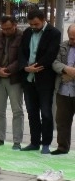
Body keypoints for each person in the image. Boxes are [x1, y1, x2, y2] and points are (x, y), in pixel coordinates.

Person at [19, 9, 61, 153]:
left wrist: (35, 67)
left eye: (36, 24)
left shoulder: (54, 33)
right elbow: (21, 53)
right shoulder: (27, 32)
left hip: (44, 78)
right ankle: (34, 142)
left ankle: (46, 143)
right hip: (28, 78)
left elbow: (51, 55)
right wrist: (26, 67)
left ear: (43, 20)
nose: (33, 27)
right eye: (31, 24)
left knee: (46, 112)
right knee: (32, 112)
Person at [0, 15, 25, 148]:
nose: (6, 31)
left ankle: (17, 141)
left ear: (15, 25)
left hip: (14, 79)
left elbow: (22, 57)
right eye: (3, 29)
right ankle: (0, 138)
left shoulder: (22, 37)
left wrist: (8, 69)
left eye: (8, 28)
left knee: (17, 110)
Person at [52, 24, 75, 155]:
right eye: (71, 38)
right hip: (63, 91)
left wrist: (72, 75)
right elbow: (54, 62)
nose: (73, 41)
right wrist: (66, 69)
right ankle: (62, 147)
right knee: (62, 121)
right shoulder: (63, 46)